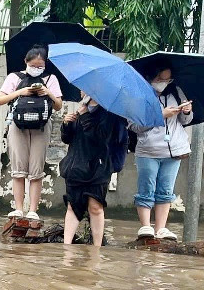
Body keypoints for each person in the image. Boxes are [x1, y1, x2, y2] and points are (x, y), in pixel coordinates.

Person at [0, 45, 63, 220]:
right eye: (34, 65)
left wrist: (47, 92)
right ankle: (18, 208)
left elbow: (58, 105)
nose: (37, 69)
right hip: (17, 126)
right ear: (26, 62)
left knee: (36, 169)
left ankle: (33, 210)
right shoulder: (14, 77)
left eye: (40, 66)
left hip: (41, 127)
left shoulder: (50, 79)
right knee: (18, 168)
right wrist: (21, 92)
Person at [129, 66, 194, 240]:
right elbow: (135, 126)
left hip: (174, 150)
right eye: (160, 79)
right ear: (151, 77)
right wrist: (160, 115)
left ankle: (161, 228)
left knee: (166, 190)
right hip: (148, 150)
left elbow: (185, 121)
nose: (163, 84)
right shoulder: (139, 96)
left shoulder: (176, 92)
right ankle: (145, 226)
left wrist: (187, 112)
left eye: (168, 80)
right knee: (146, 189)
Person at [60, 95, 119, 246]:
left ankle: (97, 248)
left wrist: (86, 116)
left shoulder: (108, 113)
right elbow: (67, 138)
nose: (82, 93)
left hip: (97, 168)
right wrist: (66, 124)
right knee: (72, 206)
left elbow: (101, 138)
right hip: (75, 166)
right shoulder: (81, 109)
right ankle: (67, 247)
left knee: (95, 207)